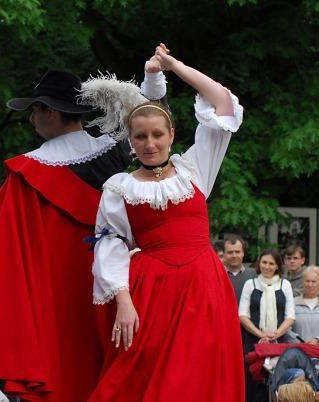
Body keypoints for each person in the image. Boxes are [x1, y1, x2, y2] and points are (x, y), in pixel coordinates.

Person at [0, 54, 168, 402]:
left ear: (49, 111)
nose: (31, 119)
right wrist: (154, 82)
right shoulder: (116, 155)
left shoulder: (30, 174)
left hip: (54, 301)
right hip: (118, 286)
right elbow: (158, 121)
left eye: (33, 111)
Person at [86, 44, 244, 401]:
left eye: (157, 134)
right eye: (140, 136)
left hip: (203, 287)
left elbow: (223, 104)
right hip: (150, 292)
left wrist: (173, 65)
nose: (149, 143)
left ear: (171, 135)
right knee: (140, 380)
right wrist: (123, 302)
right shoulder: (119, 187)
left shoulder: (194, 169)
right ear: (130, 141)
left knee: (200, 380)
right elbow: (109, 246)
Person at [239, 249, 296, 402]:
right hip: (254, 342)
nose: (267, 266)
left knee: (278, 384)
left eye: (271, 263)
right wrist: (261, 335)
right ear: (259, 263)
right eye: (264, 262)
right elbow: (243, 315)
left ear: (277, 266)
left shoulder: (285, 284)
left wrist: (274, 335)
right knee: (253, 384)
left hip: (279, 342)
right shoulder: (250, 284)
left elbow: (290, 316)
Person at [286, 266, 319, 402]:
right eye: (307, 281)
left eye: (314, 281)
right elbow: (286, 329)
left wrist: (318, 341)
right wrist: (301, 345)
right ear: (303, 282)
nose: (310, 284)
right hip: (297, 368)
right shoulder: (292, 304)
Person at [224, 233, 257, 303]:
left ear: (243, 253)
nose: (234, 255)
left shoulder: (253, 275)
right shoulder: (217, 276)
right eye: (230, 252)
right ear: (224, 254)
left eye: (237, 252)